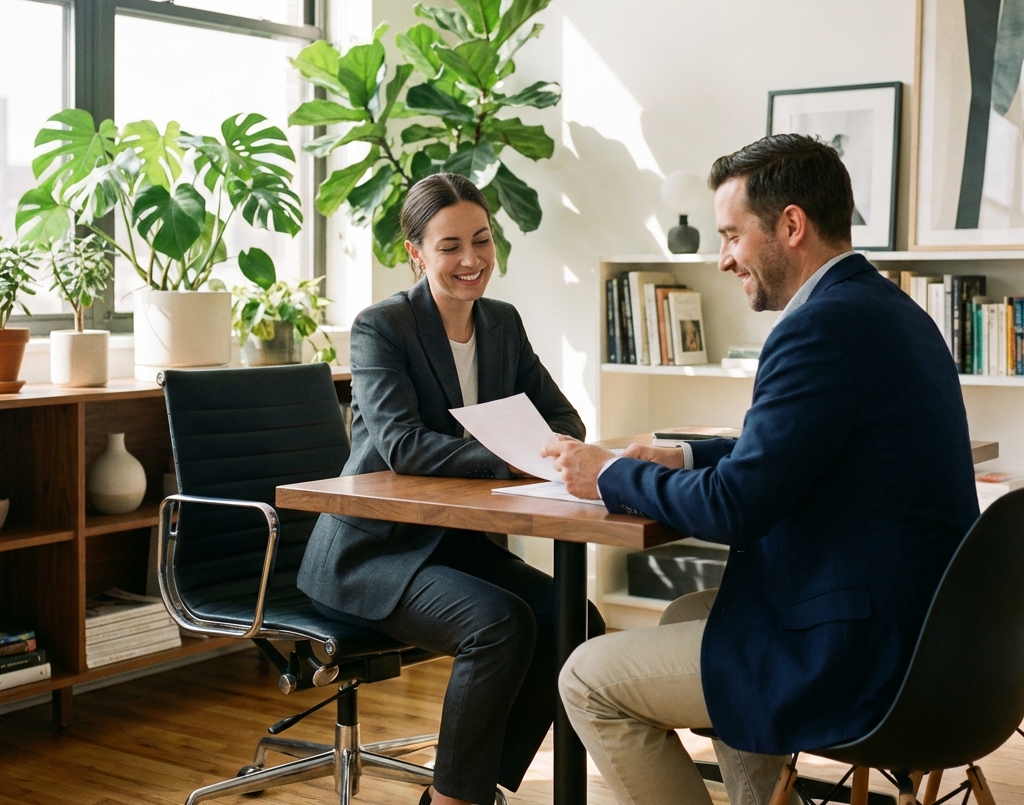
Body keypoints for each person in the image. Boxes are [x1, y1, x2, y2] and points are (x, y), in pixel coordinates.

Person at [541, 134, 979, 805]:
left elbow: (735, 507)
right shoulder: (892, 312)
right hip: (940, 640)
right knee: (690, 613)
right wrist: (684, 456)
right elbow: (802, 449)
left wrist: (606, 474)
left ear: (791, 225)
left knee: (586, 680)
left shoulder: (817, 330)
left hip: (864, 654)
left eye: (731, 235)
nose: (723, 259)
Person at [298, 172, 605, 805]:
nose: (472, 259)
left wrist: (548, 448)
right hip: (374, 551)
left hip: (456, 544)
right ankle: (454, 799)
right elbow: (402, 444)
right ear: (416, 252)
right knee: (500, 624)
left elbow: (563, 419)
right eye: (450, 246)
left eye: (482, 240)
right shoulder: (383, 326)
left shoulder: (501, 323)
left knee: (576, 619)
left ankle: (476, 786)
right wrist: (512, 461)